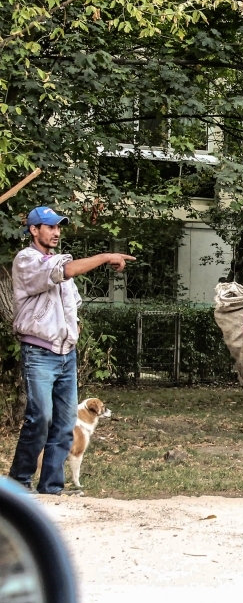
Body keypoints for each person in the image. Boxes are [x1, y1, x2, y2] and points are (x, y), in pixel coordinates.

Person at [8, 206, 134, 495]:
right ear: (33, 230)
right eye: (50, 227)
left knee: (65, 423)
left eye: (58, 227)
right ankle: (18, 482)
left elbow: (71, 300)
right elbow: (63, 271)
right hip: (39, 352)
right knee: (40, 419)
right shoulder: (27, 260)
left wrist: (75, 327)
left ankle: (52, 486)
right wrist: (105, 256)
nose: (56, 232)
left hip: (66, 354)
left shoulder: (57, 261)